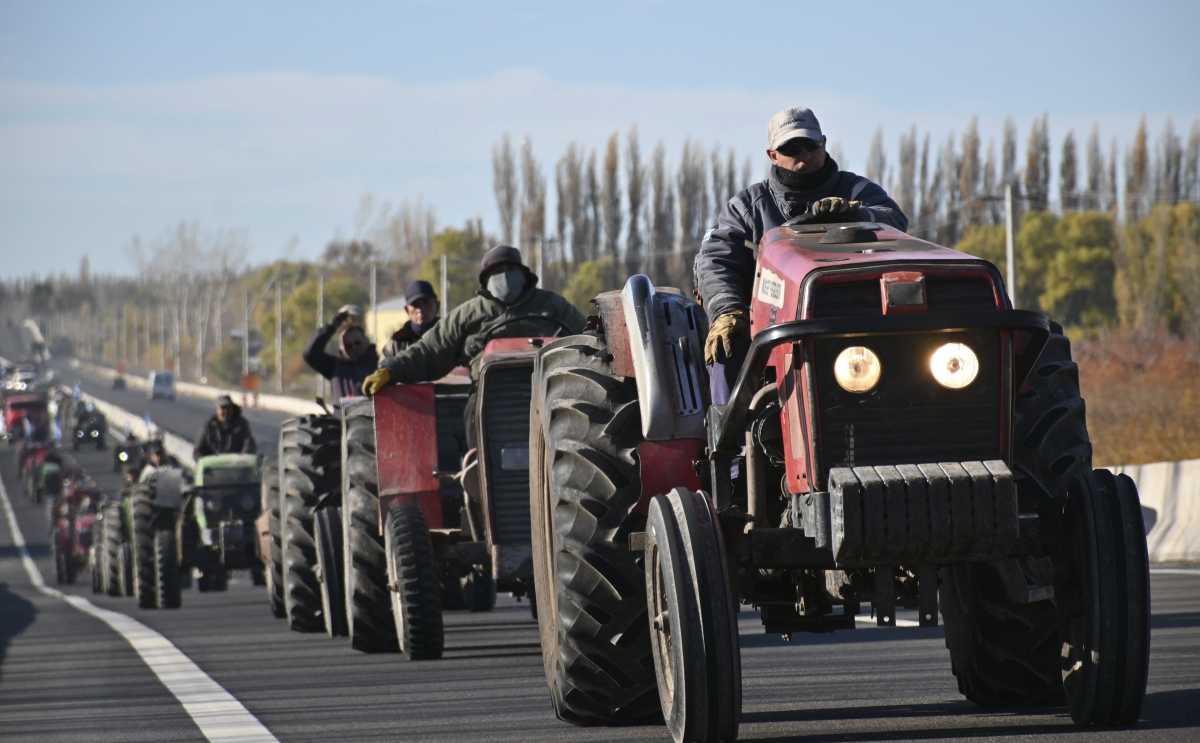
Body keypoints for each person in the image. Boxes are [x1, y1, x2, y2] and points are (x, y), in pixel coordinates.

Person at [695, 106, 909, 369]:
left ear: (824, 143)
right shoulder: (747, 207)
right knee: (724, 349)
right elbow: (717, 260)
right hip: (767, 329)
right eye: (792, 149)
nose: (804, 155)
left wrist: (857, 213)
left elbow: (895, 222)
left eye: (810, 145)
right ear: (772, 155)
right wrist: (726, 310)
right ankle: (725, 410)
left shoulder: (859, 192)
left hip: (854, 319)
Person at [362, 245, 586, 394]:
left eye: (510, 269)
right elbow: (429, 349)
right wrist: (390, 370)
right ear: (486, 279)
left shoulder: (552, 305)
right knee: (468, 417)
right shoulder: (467, 314)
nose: (505, 276)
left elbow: (587, 338)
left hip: (551, 392)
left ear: (524, 273)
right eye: (498, 271)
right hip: (486, 395)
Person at [303, 304, 380, 401]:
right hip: (342, 416)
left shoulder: (378, 365)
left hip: (373, 415)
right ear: (341, 348)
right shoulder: (335, 367)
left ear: (366, 341)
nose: (354, 348)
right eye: (348, 345)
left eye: (358, 343)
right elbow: (310, 353)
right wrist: (333, 325)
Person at [381, 280, 440, 359]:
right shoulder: (397, 344)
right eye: (415, 304)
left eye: (426, 303)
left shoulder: (449, 336)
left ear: (437, 305)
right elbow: (383, 369)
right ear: (407, 310)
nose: (420, 309)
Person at [193, 395, 257, 459]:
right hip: (214, 465)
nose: (226, 411)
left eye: (228, 408)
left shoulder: (242, 424)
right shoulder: (208, 426)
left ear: (232, 408)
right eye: (223, 408)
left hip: (236, 464)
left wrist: (243, 458)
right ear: (217, 410)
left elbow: (249, 445)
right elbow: (198, 451)